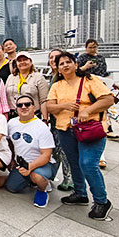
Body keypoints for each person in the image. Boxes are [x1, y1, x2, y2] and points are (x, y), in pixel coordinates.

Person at [46, 52, 114, 220]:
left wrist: (88, 110)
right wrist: (64, 105)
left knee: (88, 163)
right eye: (61, 63)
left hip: (90, 128)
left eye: (68, 62)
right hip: (65, 129)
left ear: (76, 64)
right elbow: (50, 107)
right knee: (74, 162)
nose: (65, 65)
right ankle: (80, 193)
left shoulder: (90, 80)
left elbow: (108, 99)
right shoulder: (57, 86)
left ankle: (101, 201)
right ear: (58, 68)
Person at [5, 95, 56, 208]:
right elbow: (10, 143)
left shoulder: (42, 128)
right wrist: (12, 159)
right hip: (21, 164)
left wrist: (30, 166)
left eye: (27, 104)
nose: (23, 107)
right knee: (12, 187)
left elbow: (46, 155)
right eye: (20, 105)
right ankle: (31, 180)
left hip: (42, 164)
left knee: (36, 175)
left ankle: (43, 188)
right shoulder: (11, 123)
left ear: (34, 107)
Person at [46, 48, 73, 191]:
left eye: (56, 57)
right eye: (51, 57)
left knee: (66, 151)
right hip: (54, 121)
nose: (53, 60)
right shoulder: (54, 76)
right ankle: (51, 176)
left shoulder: (65, 77)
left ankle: (69, 180)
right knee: (56, 150)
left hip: (66, 121)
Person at [4, 52, 49, 119]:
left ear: (30, 62)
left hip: (32, 116)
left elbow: (43, 100)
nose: (22, 62)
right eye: (19, 61)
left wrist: (45, 119)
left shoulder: (38, 77)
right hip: (13, 116)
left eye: (25, 60)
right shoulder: (11, 77)